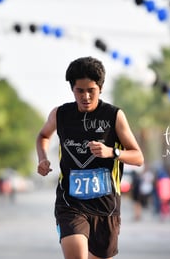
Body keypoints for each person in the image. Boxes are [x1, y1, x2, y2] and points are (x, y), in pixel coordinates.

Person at [36, 56, 144, 259]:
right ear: (72, 89)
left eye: (91, 90)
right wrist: (42, 158)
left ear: (100, 88)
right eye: (80, 90)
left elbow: (138, 157)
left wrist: (112, 152)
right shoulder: (60, 114)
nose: (85, 96)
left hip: (106, 207)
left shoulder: (113, 116)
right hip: (70, 203)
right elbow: (43, 136)